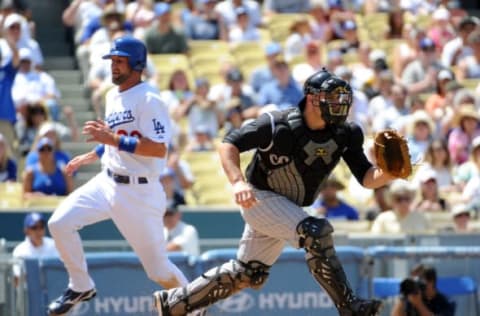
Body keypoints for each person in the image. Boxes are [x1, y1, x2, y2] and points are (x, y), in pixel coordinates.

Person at [153, 68, 399, 316]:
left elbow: (367, 178)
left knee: (248, 273)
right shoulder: (276, 124)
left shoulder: (347, 133)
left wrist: (390, 173)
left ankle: (173, 304)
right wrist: (238, 182)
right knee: (316, 233)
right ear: (313, 98)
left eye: (342, 98)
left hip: (288, 208)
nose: (340, 103)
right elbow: (229, 144)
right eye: (332, 97)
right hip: (259, 200)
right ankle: (349, 307)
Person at [46, 36, 190, 316]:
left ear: (137, 64)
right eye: (112, 61)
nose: (113, 66)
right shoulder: (113, 95)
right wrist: (96, 152)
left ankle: (195, 307)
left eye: (120, 61)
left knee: (159, 271)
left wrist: (112, 140)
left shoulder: (149, 99)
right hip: (107, 180)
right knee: (59, 223)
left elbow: (159, 149)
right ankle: (80, 284)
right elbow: (119, 135)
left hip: (139, 193)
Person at [12, 212, 58, 286]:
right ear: (26, 230)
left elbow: (62, 269)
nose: (38, 230)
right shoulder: (19, 251)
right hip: (27, 293)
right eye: (34, 227)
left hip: (53, 290)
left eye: (41, 227)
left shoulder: (53, 244)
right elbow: (17, 279)